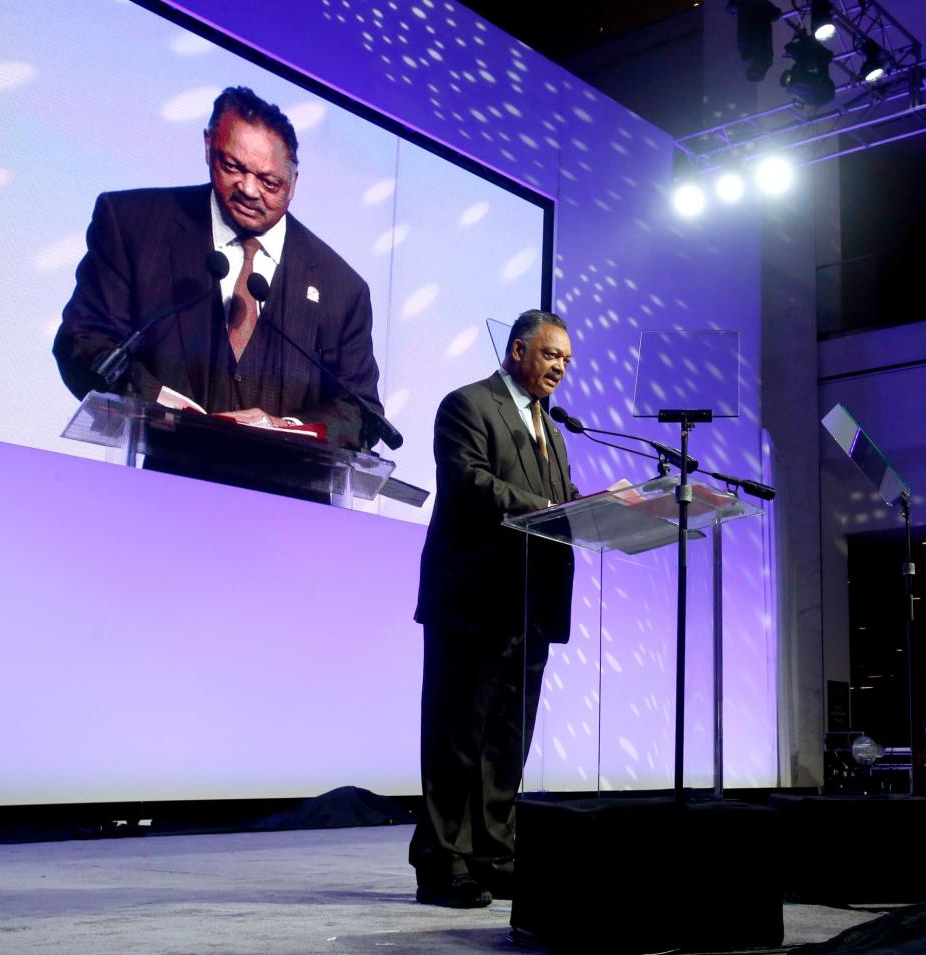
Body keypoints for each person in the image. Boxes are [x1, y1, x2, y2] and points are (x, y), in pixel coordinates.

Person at [53, 86, 382, 449]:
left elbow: (359, 411)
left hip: (289, 499)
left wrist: (281, 426)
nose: (249, 189)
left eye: (270, 182)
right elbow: (85, 342)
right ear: (209, 146)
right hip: (160, 481)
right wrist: (170, 411)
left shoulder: (342, 289)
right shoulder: (133, 224)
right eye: (232, 167)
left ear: (294, 183)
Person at [410, 309, 579, 908]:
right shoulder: (467, 405)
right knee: (457, 736)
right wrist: (551, 509)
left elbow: (561, 505)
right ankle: (442, 861)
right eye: (551, 354)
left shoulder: (553, 430)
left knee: (508, 739)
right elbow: (468, 482)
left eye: (565, 359)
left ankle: (493, 853)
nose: (560, 366)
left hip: (531, 603)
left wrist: (598, 506)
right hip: (473, 600)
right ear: (517, 351)